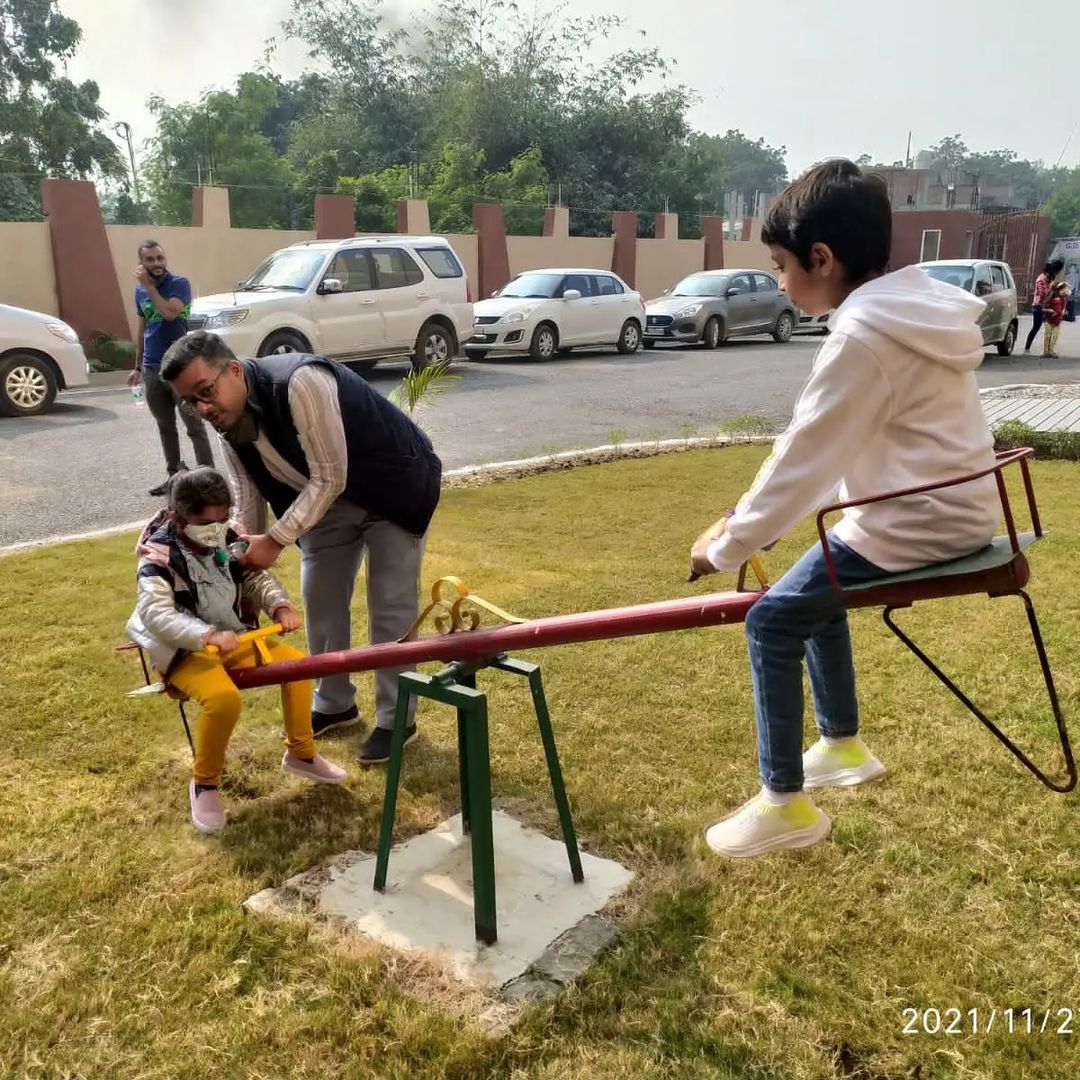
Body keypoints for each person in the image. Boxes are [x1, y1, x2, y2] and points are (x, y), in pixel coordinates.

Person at [689, 159, 1000, 859]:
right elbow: (840, 450)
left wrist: (724, 546)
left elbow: (805, 458)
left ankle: (784, 805)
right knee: (813, 592)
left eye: (779, 265)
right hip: (951, 506)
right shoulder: (910, 312)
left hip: (917, 517)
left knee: (771, 619)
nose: (777, 280)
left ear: (821, 259)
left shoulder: (864, 336)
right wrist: (747, 525)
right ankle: (840, 743)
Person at [159, 332, 442, 765]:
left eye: (205, 392)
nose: (202, 409)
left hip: (395, 489)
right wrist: (240, 569)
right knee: (320, 599)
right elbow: (247, 496)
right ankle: (334, 703)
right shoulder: (227, 424)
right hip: (325, 506)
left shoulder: (300, 381)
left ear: (233, 370)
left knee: (391, 605)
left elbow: (331, 475)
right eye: (189, 403)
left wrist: (275, 540)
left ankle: (397, 718)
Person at [127, 467, 347, 833]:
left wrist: (279, 605)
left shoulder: (227, 539)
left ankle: (301, 753)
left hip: (231, 637)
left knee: (299, 667)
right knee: (224, 700)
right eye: (205, 521)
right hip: (184, 650)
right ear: (179, 518)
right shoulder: (158, 558)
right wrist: (205, 635)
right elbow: (155, 613)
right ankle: (205, 782)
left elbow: (252, 575)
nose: (216, 528)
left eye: (222, 518)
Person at [127, 241, 214, 496]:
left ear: (165, 259)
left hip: (181, 367)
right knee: (165, 425)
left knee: (194, 425)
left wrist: (148, 287)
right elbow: (143, 330)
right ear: (142, 263)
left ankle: (208, 477)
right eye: (150, 259)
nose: (156, 264)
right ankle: (174, 477)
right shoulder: (139, 292)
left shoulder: (180, 284)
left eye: (159, 258)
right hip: (153, 368)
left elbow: (169, 313)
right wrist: (137, 367)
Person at [1024, 259, 1064, 353]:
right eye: (1057, 271)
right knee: (1036, 327)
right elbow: (1042, 293)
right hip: (1039, 306)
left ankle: (1049, 350)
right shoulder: (1041, 278)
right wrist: (1052, 291)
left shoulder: (1050, 279)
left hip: (1048, 305)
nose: (1057, 274)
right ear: (1053, 270)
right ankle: (1027, 348)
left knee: (1051, 327)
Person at [1042, 280, 1068, 358]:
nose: (1066, 290)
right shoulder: (1050, 298)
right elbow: (1043, 308)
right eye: (1064, 289)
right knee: (1047, 335)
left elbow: (1063, 307)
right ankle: (1045, 352)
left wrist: (1063, 311)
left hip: (1058, 320)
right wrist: (1049, 311)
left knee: (1055, 336)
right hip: (1049, 320)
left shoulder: (1063, 299)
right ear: (1060, 289)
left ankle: (1051, 350)